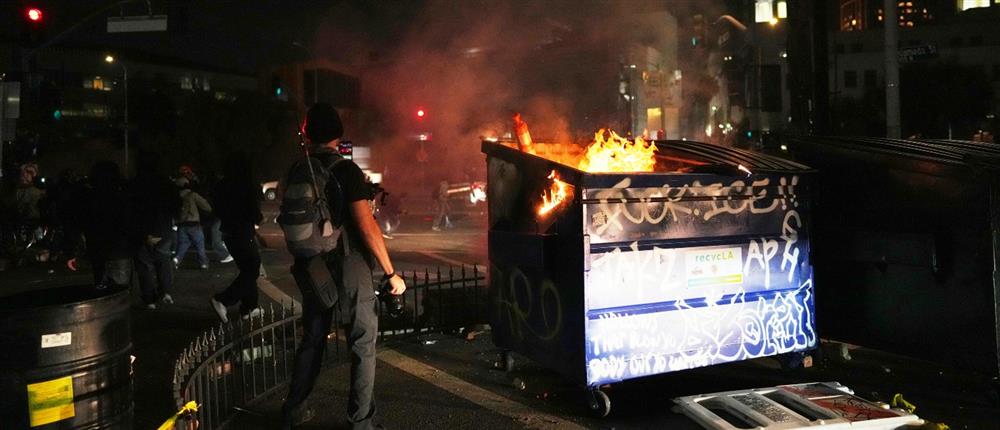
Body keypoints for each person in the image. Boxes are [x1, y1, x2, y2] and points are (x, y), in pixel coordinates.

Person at [281, 103, 406, 430]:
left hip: (313, 266)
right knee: (362, 342)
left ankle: (294, 409)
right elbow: (366, 226)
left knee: (313, 338)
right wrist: (391, 273)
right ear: (339, 133)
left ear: (308, 134)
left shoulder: (298, 169)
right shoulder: (346, 170)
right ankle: (361, 422)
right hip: (349, 263)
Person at [209, 152, 263, 322]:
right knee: (252, 269)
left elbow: (216, 210)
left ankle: (249, 307)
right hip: (243, 232)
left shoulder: (221, 186)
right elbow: (254, 212)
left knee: (247, 270)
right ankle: (223, 300)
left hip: (228, 232)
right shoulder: (245, 185)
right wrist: (258, 218)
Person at [65, 161, 133, 289]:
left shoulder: (88, 197)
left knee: (101, 287)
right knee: (120, 290)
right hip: (119, 249)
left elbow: (77, 222)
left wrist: (72, 250)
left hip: (97, 248)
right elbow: (129, 222)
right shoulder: (122, 197)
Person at [130, 151, 181, 310]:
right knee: (163, 262)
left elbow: (130, 210)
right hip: (162, 230)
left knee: (144, 266)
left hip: (140, 232)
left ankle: (149, 299)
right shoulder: (166, 184)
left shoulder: (134, 184)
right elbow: (176, 207)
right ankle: (165, 292)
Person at [173, 176, 213, 269]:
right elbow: (206, 206)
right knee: (199, 243)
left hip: (181, 224)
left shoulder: (176, 196)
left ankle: (177, 259)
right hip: (193, 223)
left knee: (183, 243)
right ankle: (203, 263)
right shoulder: (192, 195)